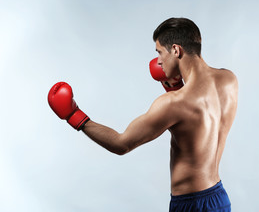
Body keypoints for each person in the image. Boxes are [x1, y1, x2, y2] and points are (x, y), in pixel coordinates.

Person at [48, 17, 238, 211]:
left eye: (160, 52)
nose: (158, 61)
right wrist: (176, 87)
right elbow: (196, 121)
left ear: (176, 50)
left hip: (190, 205)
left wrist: (73, 114)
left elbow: (121, 143)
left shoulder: (174, 103)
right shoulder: (229, 80)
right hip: (219, 198)